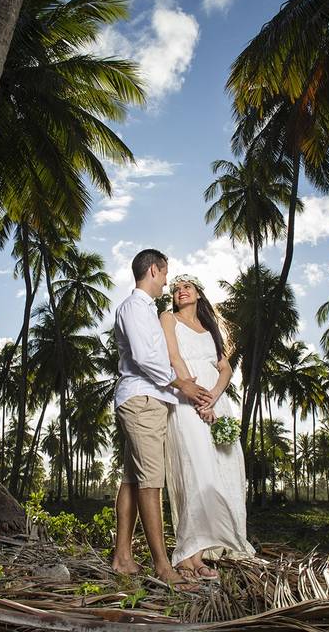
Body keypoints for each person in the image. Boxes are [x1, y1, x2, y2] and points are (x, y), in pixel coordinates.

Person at [110, 249, 212, 588]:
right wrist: (180, 382)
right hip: (142, 400)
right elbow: (143, 357)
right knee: (152, 482)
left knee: (132, 479)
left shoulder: (146, 310)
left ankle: (122, 557)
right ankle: (163, 566)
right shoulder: (135, 307)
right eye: (165, 274)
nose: (167, 281)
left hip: (145, 399)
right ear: (154, 270)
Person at [160, 273, 255, 580]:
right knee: (195, 471)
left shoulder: (212, 329)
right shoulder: (168, 319)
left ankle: (207, 551)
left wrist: (213, 397)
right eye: (176, 289)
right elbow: (174, 357)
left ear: (198, 293)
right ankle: (188, 554)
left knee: (224, 471)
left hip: (216, 403)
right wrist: (198, 399)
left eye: (186, 287)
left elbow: (225, 369)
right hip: (188, 400)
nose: (180, 292)